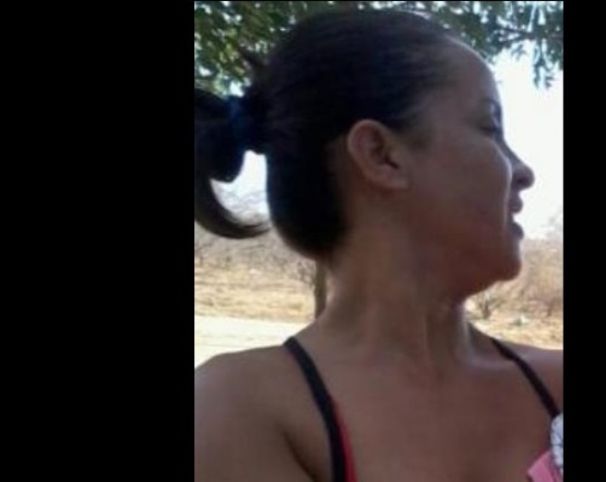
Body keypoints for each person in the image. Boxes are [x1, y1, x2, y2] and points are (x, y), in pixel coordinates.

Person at [195, 8, 562, 482]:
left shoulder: (554, 384)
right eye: (491, 128)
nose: (524, 171)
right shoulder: (239, 411)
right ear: (380, 154)